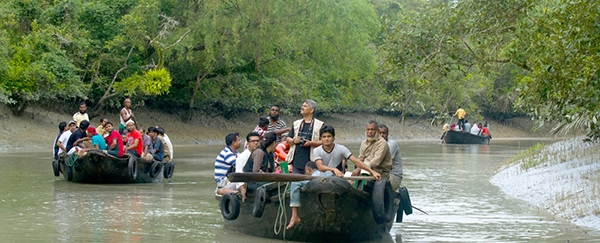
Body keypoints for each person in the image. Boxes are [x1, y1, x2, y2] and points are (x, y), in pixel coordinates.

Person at [313, 124, 381, 179]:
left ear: (333, 138)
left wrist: (372, 171)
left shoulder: (341, 148)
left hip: (338, 177)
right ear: (320, 138)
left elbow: (356, 161)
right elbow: (320, 167)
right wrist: (333, 169)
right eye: (324, 137)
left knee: (330, 174)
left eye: (329, 136)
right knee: (327, 173)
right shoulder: (317, 150)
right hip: (322, 177)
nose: (326, 139)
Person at [286, 99, 324, 174]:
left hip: (312, 161)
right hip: (296, 160)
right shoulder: (296, 123)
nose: (302, 107)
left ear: (311, 110)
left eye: (305, 106)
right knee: (296, 182)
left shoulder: (320, 125)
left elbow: (324, 141)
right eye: (302, 105)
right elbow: (288, 139)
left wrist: (311, 143)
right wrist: (294, 141)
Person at [286, 161, 326, 229]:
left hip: (316, 182)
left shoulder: (313, 176)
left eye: (305, 171)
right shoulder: (325, 173)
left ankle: (294, 215)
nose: (305, 173)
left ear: (309, 170)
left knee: (295, 183)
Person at [378, 124, 403, 191]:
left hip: (393, 176)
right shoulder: (374, 145)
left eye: (384, 133)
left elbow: (382, 163)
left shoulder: (391, 144)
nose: (381, 135)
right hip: (381, 174)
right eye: (379, 133)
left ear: (387, 134)